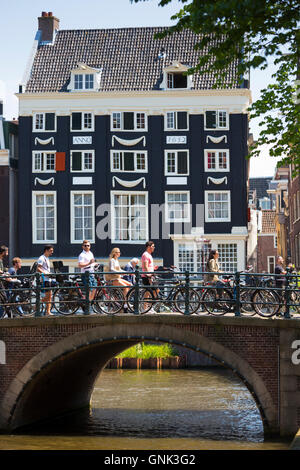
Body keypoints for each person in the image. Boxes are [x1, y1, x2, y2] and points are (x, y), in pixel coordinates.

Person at [78, 240, 97, 308]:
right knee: (89, 290)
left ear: (90, 246)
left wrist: (95, 264)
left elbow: (92, 262)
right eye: (85, 245)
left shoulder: (90, 253)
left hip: (92, 274)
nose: (87, 247)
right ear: (82, 246)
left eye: (88, 245)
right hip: (86, 275)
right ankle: (87, 306)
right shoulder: (82, 255)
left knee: (94, 288)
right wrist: (89, 263)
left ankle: (88, 303)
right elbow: (80, 265)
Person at [37, 245, 55, 316]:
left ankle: (47, 311)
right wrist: (45, 273)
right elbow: (38, 268)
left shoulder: (46, 258)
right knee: (48, 296)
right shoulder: (41, 258)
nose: (52, 252)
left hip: (48, 279)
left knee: (49, 296)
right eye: (51, 251)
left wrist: (49, 273)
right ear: (46, 251)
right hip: (45, 280)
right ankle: (36, 305)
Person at [141, 241, 159, 313]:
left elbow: (148, 266)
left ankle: (148, 307)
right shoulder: (145, 255)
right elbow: (145, 266)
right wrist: (148, 275)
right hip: (147, 276)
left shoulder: (149, 255)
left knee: (154, 291)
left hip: (150, 276)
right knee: (148, 292)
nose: (154, 248)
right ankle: (146, 308)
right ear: (149, 247)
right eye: (153, 246)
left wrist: (153, 268)